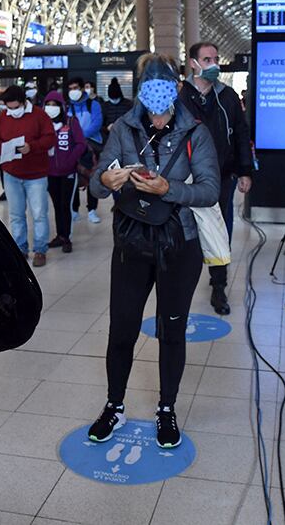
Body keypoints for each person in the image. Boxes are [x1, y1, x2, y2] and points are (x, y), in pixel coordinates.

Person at [87, 54, 219, 449]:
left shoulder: (196, 132)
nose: (157, 96)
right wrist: (106, 180)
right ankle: (114, 405)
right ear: (140, 90)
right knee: (122, 327)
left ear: (176, 88)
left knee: (172, 329)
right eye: (150, 87)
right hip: (132, 241)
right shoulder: (123, 130)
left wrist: (168, 189)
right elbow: (95, 184)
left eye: (163, 87)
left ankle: (166, 408)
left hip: (180, 243)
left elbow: (210, 190)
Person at [179, 41, 253, 316]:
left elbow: (242, 134)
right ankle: (182, 282)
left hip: (222, 176)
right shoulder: (180, 97)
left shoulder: (227, 97)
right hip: (186, 178)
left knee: (219, 231)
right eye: (207, 60)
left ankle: (218, 285)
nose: (214, 64)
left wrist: (245, 170)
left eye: (216, 59)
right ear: (193, 64)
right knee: (185, 230)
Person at [0, 85, 55, 267]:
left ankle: (40, 250)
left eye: (16, 107)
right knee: (16, 214)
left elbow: (50, 138)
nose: (12, 111)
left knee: (39, 214)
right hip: (12, 174)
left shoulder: (39, 115)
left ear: (24, 102)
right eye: (9, 108)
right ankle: (20, 249)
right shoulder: (2, 117)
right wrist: (4, 148)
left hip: (36, 174)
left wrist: (32, 147)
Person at [43, 90, 85, 254]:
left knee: (65, 205)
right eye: (48, 104)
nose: (51, 107)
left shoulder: (71, 122)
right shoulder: (44, 123)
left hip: (68, 173)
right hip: (50, 173)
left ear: (61, 106)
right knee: (56, 205)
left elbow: (81, 144)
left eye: (54, 105)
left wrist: (70, 160)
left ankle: (66, 237)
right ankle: (60, 235)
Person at [67, 77, 104, 224]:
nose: (73, 91)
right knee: (74, 178)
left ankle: (92, 209)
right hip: (74, 146)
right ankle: (74, 210)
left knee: (92, 177)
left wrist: (80, 136)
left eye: (75, 88)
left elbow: (97, 123)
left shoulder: (93, 104)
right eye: (70, 89)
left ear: (82, 88)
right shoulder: (68, 107)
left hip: (91, 145)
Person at [101, 77, 132, 143]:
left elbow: (133, 120)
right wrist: (107, 129)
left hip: (126, 137)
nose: (114, 100)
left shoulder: (128, 104)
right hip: (109, 138)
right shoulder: (104, 106)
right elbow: (100, 124)